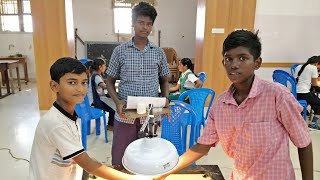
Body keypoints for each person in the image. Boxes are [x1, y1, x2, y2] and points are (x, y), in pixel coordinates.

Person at [155, 30, 313, 180]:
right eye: (228, 58)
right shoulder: (220, 106)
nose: (234, 64)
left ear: (257, 63)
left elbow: (304, 142)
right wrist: (167, 171)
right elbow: (202, 146)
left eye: (242, 58)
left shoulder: (277, 96)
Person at [29, 57, 148, 180]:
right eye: (72, 82)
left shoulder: (67, 115)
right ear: (54, 86)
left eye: (84, 82)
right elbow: (88, 164)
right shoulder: (57, 124)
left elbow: (81, 160)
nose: (80, 89)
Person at [105, 2, 170, 170]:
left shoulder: (158, 52)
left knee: (148, 152)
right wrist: (117, 102)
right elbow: (109, 80)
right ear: (133, 23)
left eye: (149, 24)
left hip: (151, 112)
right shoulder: (120, 51)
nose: (145, 27)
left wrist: (165, 98)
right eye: (141, 22)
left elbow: (164, 80)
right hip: (125, 110)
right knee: (121, 151)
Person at [89, 57, 116, 130]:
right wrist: (112, 85)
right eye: (104, 66)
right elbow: (103, 86)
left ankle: (111, 124)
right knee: (113, 107)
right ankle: (110, 125)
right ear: (100, 67)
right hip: (95, 101)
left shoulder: (94, 74)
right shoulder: (96, 76)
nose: (105, 67)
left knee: (111, 103)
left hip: (93, 99)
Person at [295, 55, 320, 129]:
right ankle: (313, 123)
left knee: (314, 101)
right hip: (304, 93)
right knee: (318, 104)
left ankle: (306, 114)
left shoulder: (301, 67)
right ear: (317, 63)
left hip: (296, 93)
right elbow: (315, 84)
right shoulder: (313, 68)